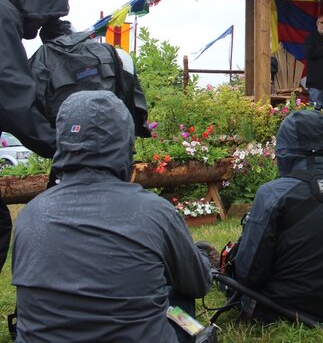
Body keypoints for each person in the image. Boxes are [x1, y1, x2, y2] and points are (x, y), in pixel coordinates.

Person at [12, 91, 212, 342]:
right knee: (178, 292)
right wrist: (202, 259)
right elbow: (197, 284)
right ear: (125, 144)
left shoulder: (30, 214)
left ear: (63, 142)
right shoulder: (155, 212)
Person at [234, 110, 323, 323]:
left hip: (279, 307)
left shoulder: (272, 194)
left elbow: (249, 274)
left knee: (229, 273)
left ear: (284, 147)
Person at [0, 0, 69, 273]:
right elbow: (12, 96)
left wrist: (57, 38)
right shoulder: (2, 15)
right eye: (45, 18)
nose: (41, 26)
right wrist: (63, 146)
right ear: (35, 5)